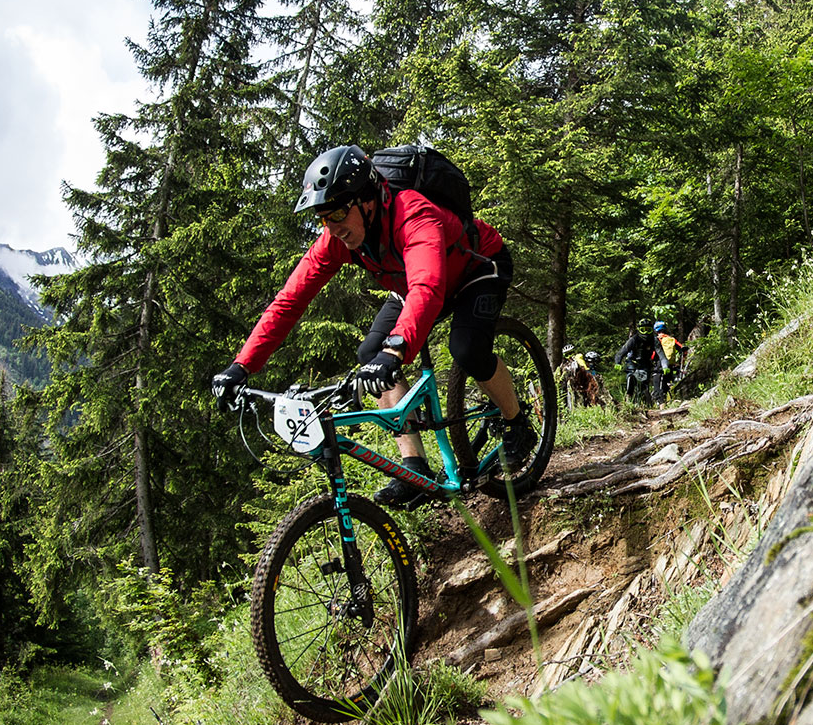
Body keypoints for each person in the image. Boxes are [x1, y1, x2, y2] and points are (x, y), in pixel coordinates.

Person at [210, 144, 538, 510]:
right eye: (323, 218)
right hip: (412, 285)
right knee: (369, 354)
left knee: (467, 349)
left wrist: (396, 349)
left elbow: (428, 287)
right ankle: (413, 468)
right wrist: (241, 366)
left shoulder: (413, 213)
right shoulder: (338, 239)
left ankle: (517, 422)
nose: (332, 228)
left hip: (476, 268)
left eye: (337, 213)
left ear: (367, 200)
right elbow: (289, 301)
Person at [616, 319, 659, 404]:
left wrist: (662, 365)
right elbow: (621, 352)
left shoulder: (654, 340)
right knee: (631, 377)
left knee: (645, 384)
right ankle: (628, 398)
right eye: (643, 330)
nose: (646, 332)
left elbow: (660, 354)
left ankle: (647, 402)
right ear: (639, 330)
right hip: (632, 362)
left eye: (648, 330)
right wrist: (618, 362)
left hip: (645, 363)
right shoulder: (634, 339)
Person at [654, 321, 686, 401]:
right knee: (666, 385)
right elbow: (683, 350)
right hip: (671, 366)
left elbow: (653, 354)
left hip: (659, 366)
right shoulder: (672, 339)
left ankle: (661, 406)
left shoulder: (657, 340)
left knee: (658, 387)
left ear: (655, 330)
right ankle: (669, 402)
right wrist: (679, 363)